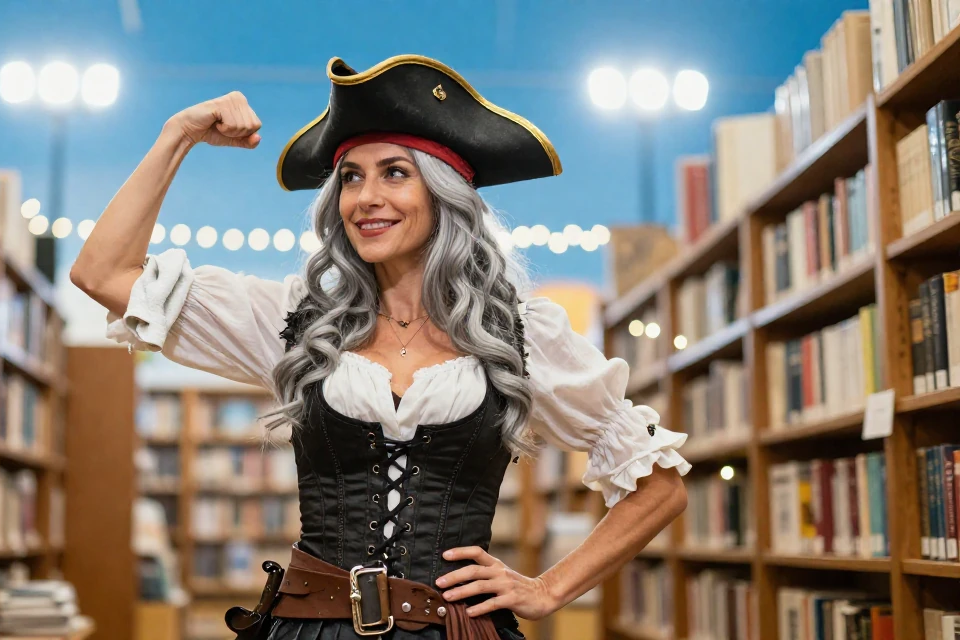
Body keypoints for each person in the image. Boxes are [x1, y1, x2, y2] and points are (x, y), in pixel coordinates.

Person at [71, 54, 689, 640]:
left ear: (444, 196)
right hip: (310, 629)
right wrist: (177, 134)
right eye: (350, 178)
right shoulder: (296, 322)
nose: (367, 197)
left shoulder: (519, 335)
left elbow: (659, 486)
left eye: (395, 173)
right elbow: (102, 274)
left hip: (456, 630)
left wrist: (550, 589)